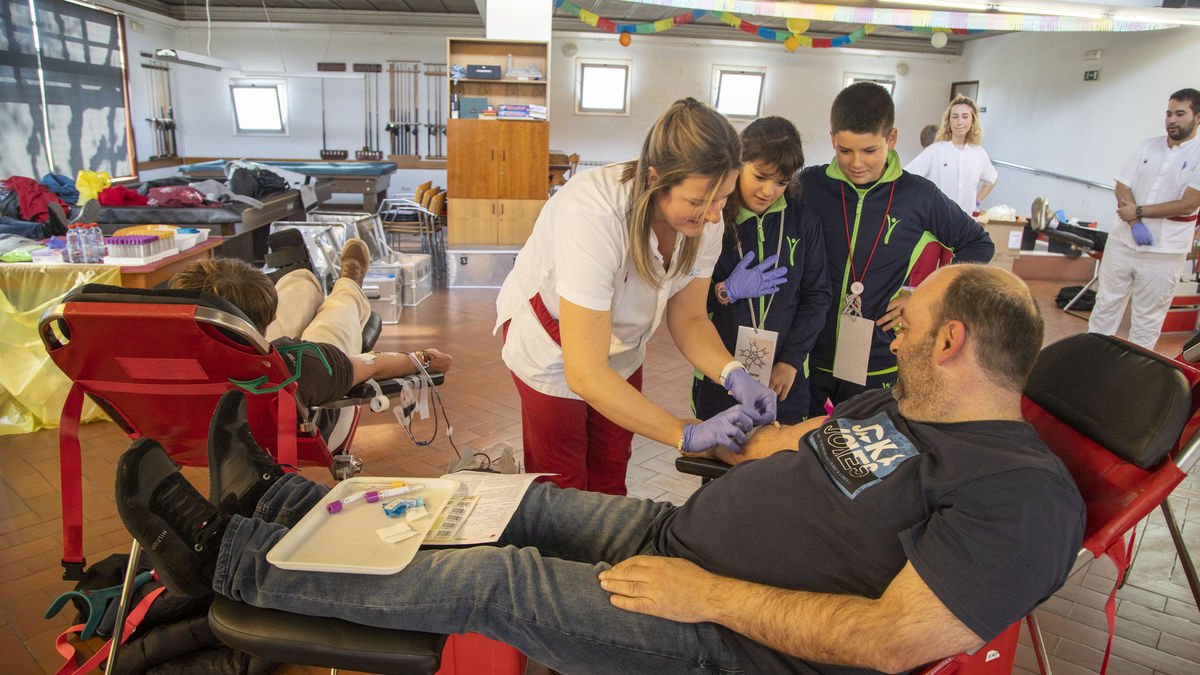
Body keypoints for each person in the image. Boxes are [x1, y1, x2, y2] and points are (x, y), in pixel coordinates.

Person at [115, 264, 1084, 675]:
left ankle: (232, 563)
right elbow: (790, 450)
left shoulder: (1022, 498)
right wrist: (728, 434)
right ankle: (274, 502)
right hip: (683, 539)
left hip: (724, 640)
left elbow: (887, 643)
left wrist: (706, 596)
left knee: (500, 576)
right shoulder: (903, 403)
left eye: (912, 320)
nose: (897, 323)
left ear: (951, 341)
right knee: (500, 503)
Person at [493, 98, 776, 495]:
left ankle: (605, 552)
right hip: (552, 347)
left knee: (610, 469)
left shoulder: (707, 217)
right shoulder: (593, 212)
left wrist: (733, 374)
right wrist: (683, 434)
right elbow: (584, 372)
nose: (714, 215)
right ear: (655, 179)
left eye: (723, 198)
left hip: (619, 346)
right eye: (698, 201)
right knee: (562, 484)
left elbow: (690, 317)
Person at [801, 82, 994, 416]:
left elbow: (979, 242)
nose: (856, 163)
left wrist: (922, 296)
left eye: (870, 151)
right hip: (807, 353)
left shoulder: (918, 195)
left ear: (891, 139)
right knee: (800, 449)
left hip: (878, 354)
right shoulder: (810, 185)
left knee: (861, 451)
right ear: (832, 138)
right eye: (845, 150)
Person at [169, 237, 452, 408]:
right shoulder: (302, 366)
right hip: (295, 388)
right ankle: (348, 283)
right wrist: (425, 358)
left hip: (210, 362)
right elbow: (374, 364)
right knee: (334, 320)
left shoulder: (148, 358)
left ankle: (300, 277)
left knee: (297, 291)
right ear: (268, 320)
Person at [693, 117, 831, 424]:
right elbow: (685, 303)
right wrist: (724, 291)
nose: (769, 191)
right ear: (739, 163)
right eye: (760, 176)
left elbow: (817, 296)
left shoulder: (803, 220)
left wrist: (791, 361)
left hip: (783, 377)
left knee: (780, 464)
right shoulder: (715, 216)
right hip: (721, 370)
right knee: (722, 464)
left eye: (781, 182)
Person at [1088, 88, 1200, 350]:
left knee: (1147, 318)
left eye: (1180, 114)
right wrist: (1135, 223)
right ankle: (1090, 356)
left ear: (1197, 117)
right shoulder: (1147, 146)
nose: (1172, 119)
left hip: (1165, 252)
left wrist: (1139, 212)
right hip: (1123, 242)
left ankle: (1136, 371)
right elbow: (1122, 186)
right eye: (1169, 113)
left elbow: (1189, 203)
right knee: (1105, 304)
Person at [906, 95, 999, 216]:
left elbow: (991, 179)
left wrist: (976, 201)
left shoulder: (978, 153)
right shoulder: (935, 150)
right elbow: (907, 176)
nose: (960, 122)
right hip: (937, 218)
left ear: (972, 121)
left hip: (966, 221)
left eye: (965, 117)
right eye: (955, 117)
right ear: (949, 121)